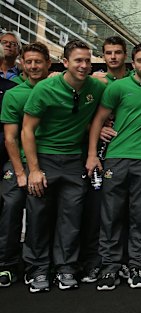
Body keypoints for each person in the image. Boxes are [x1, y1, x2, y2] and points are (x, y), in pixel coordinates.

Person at [21, 40, 106, 293]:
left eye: (87, 61)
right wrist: (34, 169)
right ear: (65, 63)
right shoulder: (45, 89)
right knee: (38, 217)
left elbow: (114, 88)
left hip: (73, 161)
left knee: (71, 219)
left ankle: (66, 268)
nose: (83, 65)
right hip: (44, 157)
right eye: (78, 60)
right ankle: (37, 270)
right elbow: (26, 130)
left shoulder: (95, 86)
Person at [86, 42, 141, 291]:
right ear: (133, 63)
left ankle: (138, 265)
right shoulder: (118, 87)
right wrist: (92, 155)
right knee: (111, 214)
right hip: (116, 157)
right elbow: (98, 121)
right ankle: (110, 266)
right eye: (140, 61)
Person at [0, 42, 49, 288]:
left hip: (46, 162)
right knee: (11, 209)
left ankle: (35, 267)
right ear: (22, 64)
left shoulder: (55, 90)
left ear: (48, 64)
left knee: (39, 217)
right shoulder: (14, 94)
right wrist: (21, 173)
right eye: (28, 62)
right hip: (18, 164)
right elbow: (10, 137)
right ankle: (7, 265)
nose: (33, 66)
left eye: (38, 61)